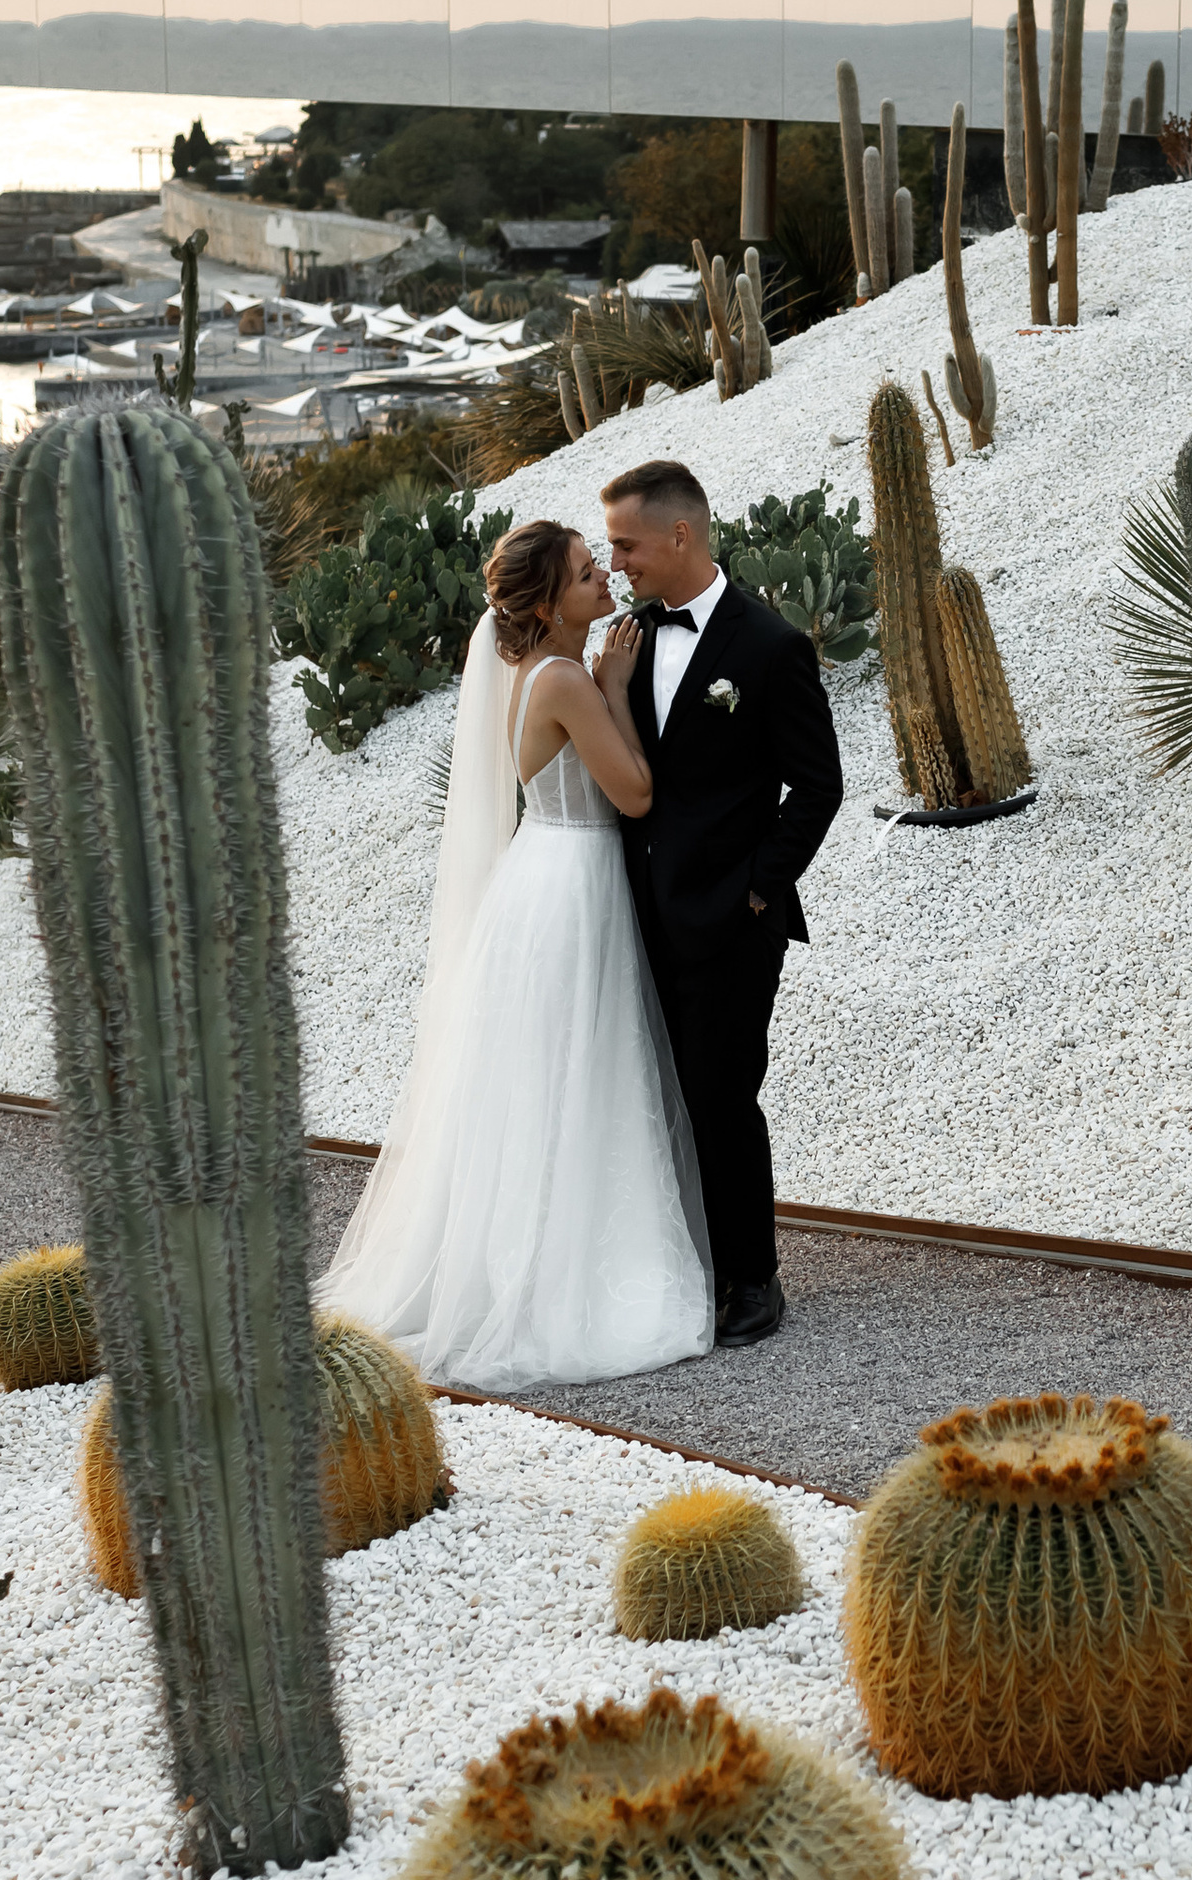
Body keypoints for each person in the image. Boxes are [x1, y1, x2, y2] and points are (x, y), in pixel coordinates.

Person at [316, 518, 715, 1390]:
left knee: (552, 1079)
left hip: (550, 875)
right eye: (583, 576)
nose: (603, 579)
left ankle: (533, 1258)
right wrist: (614, 686)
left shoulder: (524, 669)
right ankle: (561, 1282)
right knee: (579, 1071)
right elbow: (637, 795)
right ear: (545, 604)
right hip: (570, 881)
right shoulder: (566, 678)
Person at [602, 456, 844, 1348]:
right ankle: (690, 1266)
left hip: (732, 921)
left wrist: (758, 889)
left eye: (626, 544)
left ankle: (754, 1279)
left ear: (681, 535)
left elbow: (818, 788)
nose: (616, 560)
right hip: (638, 912)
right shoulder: (627, 639)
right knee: (662, 1093)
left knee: (722, 1094)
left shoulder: (769, 646)